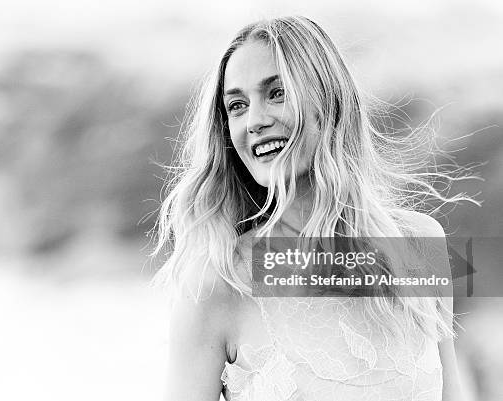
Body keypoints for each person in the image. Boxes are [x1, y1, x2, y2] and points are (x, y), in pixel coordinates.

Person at [149, 15, 469, 401]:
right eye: (236, 105)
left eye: (277, 93)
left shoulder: (418, 245)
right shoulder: (219, 282)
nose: (254, 120)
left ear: (329, 102)